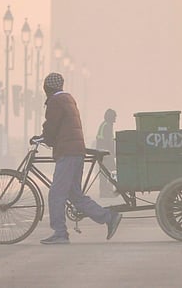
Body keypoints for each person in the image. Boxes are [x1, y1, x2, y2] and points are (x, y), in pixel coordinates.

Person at [40, 72, 122, 245]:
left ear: (47, 88)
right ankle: (108, 217)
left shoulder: (55, 101)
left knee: (56, 193)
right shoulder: (69, 99)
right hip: (76, 151)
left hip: (67, 152)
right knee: (74, 194)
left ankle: (60, 233)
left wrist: (43, 138)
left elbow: (51, 125)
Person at [95, 108, 117, 198]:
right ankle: (107, 192)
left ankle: (105, 191)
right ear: (111, 117)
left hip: (103, 153)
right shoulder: (107, 125)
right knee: (111, 171)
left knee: (105, 173)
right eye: (114, 117)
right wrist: (113, 153)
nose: (115, 119)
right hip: (105, 153)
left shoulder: (105, 124)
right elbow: (109, 141)